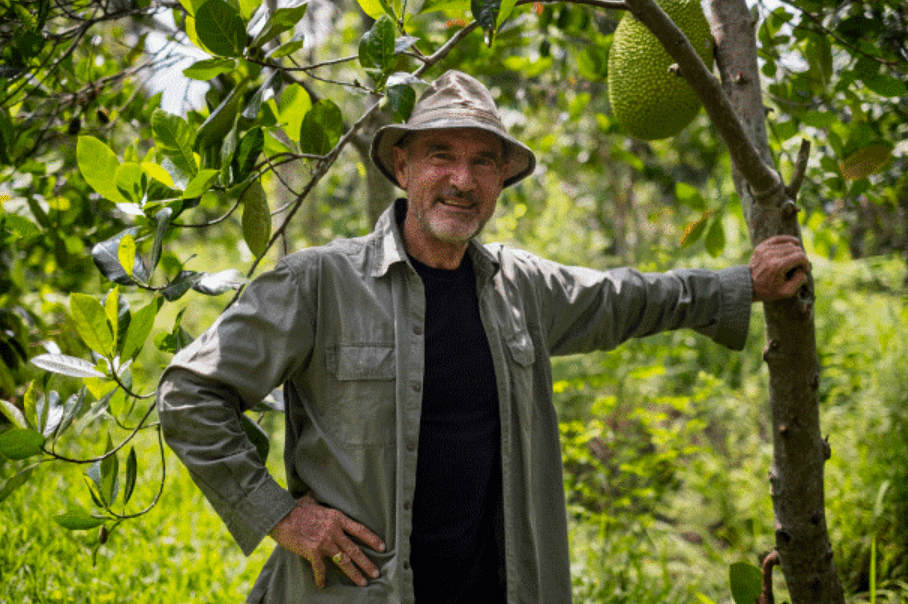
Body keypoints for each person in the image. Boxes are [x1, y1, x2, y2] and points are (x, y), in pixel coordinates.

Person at [157, 70, 810, 604]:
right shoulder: (319, 284)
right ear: (403, 165)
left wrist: (742, 284)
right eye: (441, 155)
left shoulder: (520, 287)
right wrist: (280, 515)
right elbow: (190, 394)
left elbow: (629, 297)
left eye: (483, 163)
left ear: (502, 180)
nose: (463, 181)